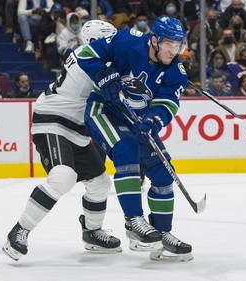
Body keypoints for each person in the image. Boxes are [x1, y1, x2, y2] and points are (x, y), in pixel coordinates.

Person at [2, 20, 121, 261]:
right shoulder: (88, 57)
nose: (115, 46)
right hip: (52, 120)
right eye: (110, 41)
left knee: (100, 183)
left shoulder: (99, 58)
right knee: (63, 176)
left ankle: (92, 232)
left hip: (77, 128)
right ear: (96, 41)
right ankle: (19, 231)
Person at [78, 16, 193, 262]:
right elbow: (86, 54)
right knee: (126, 150)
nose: (174, 51)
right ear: (154, 40)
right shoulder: (126, 40)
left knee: (163, 172)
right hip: (103, 110)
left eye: (178, 45)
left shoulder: (177, 71)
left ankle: (161, 234)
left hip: (136, 120)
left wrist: (155, 119)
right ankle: (134, 223)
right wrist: (104, 73)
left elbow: (168, 103)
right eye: (169, 45)